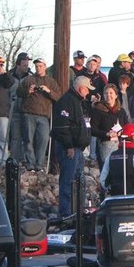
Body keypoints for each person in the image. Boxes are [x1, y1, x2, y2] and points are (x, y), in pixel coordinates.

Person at [51, 76, 93, 217]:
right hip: (69, 148)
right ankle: (67, 214)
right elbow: (62, 126)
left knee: (79, 182)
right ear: (81, 88)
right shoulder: (67, 101)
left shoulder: (77, 101)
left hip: (78, 148)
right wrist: (68, 146)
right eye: (87, 89)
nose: (88, 92)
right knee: (68, 182)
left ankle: (77, 212)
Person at [18, 57, 60, 172]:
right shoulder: (28, 79)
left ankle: (39, 164)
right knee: (28, 139)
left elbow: (58, 97)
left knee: (43, 139)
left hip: (43, 115)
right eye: (36, 66)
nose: (38, 68)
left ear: (45, 67)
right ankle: (30, 164)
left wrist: (48, 91)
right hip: (28, 113)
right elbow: (18, 92)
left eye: (40, 66)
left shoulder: (51, 81)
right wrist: (28, 91)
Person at [90, 84, 128, 167]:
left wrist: (121, 132)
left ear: (116, 95)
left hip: (119, 144)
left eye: (111, 93)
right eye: (106, 93)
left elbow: (126, 126)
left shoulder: (121, 111)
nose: (108, 95)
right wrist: (106, 134)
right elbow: (92, 129)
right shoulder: (98, 110)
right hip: (104, 144)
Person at [7, 52, 33, 163]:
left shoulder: (31, 76)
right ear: (18, 64)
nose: (27, 67)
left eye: (27, 65)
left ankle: (26, 160)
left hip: (27, 110)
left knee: (28, 137)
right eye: (24, 65)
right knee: (15, 136)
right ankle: (14, 160)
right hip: (13, 110)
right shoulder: (9, 75)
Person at [0, 55, 14, 167]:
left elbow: (11, 82)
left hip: (2, 112)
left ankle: (2, 162)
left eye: (1, 64)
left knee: (2, 139)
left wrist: (5, 73)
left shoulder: (3, 76)